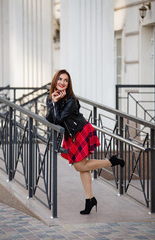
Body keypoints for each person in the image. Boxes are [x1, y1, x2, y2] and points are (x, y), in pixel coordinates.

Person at [46, 69, 125, 215]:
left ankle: (111, 161)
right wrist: (53, 102)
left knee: (79, 166)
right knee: (83, 167)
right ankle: (90, 200)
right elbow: (50, 119)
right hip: (71, 135)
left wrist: (55, 103)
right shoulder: (51, 97)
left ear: (68, 84)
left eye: (66, 80)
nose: (62, 83)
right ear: (55, 80)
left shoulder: (71, 100)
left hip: (81, 132)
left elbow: (58, 120)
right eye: (60, 79)